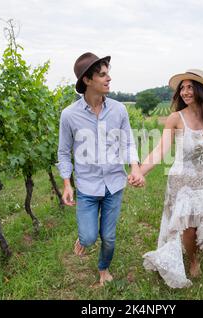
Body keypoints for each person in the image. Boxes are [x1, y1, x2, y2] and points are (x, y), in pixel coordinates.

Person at [57, 52, 144, 286]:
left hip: (114, 183)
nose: (109, 79)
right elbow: (64, 152)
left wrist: (134, 167)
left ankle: (103, 268)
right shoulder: (69, 115)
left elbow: (127, 142)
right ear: (87, 80)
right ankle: (84, 239)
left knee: (109, 237)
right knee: (88, 235)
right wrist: (67, 183)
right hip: (86, 185)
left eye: (108, 73)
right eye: (103, 75)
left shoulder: (119, 110)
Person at [140, 69, 203, 288]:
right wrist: (139, 172)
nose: (185, 91)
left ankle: (195, 252)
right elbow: (161, 150)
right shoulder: (175, 119)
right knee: (189, 227)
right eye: (182, 87)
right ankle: (193, 260)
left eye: (190, 87)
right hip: (182, 183)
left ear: (201, 90)